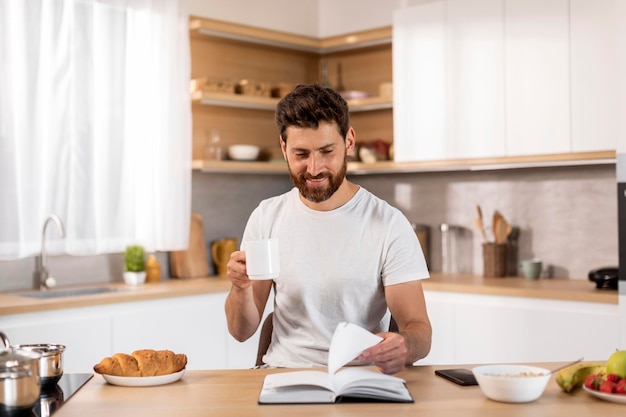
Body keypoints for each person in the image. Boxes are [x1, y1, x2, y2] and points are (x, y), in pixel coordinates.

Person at [224, 83, 432, 375]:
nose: (314, 168)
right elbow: (240, 331)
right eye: (301, 154)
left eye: (326, 151)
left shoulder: (388, 223)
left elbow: (419, 330)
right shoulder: (266, 217)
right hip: (283, 373)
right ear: (284, 148)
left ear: (349, 141)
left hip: (359, 376)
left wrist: (405, 345)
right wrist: (241, 289)